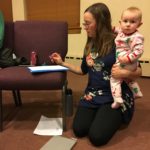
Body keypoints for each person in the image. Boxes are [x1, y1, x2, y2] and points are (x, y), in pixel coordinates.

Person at [50, 3, 142, 147]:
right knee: (79, 130)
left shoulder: (119, 40)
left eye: (87, 24)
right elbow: (82, 70)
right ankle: (101, 115)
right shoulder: (90, 44)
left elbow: (139, 71)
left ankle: (112, 114)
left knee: (97, 137)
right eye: (83, 23)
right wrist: (62, 63)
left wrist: (125, 72)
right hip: (93, 94)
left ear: (100, 23)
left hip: (114, 95)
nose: (84, 27)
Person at [110, 7, 144, 109]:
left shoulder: (136, 37)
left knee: (114, 79)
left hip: (127, 61)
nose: (128, 24)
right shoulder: (122, 31)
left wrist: (127, 59)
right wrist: (109, 27)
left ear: (139, 24)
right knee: (128, 79)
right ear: (121, 22)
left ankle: (117, 99)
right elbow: (115, 29)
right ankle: (136, 92)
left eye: (132, 22)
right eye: (125, 21)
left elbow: (139, 51)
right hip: (128, 63)